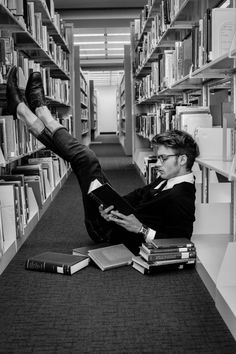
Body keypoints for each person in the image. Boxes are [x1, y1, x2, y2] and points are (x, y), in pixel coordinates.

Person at [6, 66, 199, 254]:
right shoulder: (169, 178)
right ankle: (28, 113)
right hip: (111, 220)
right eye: (158, 157)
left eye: (163, 158)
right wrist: (107, 207)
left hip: (108, 233)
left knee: (85, 158)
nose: (158, 163)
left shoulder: (182, 196)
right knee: (80, 160)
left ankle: (38, 112)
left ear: (182, 159)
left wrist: (141, 229)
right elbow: (139, 195)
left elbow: (182, 242)